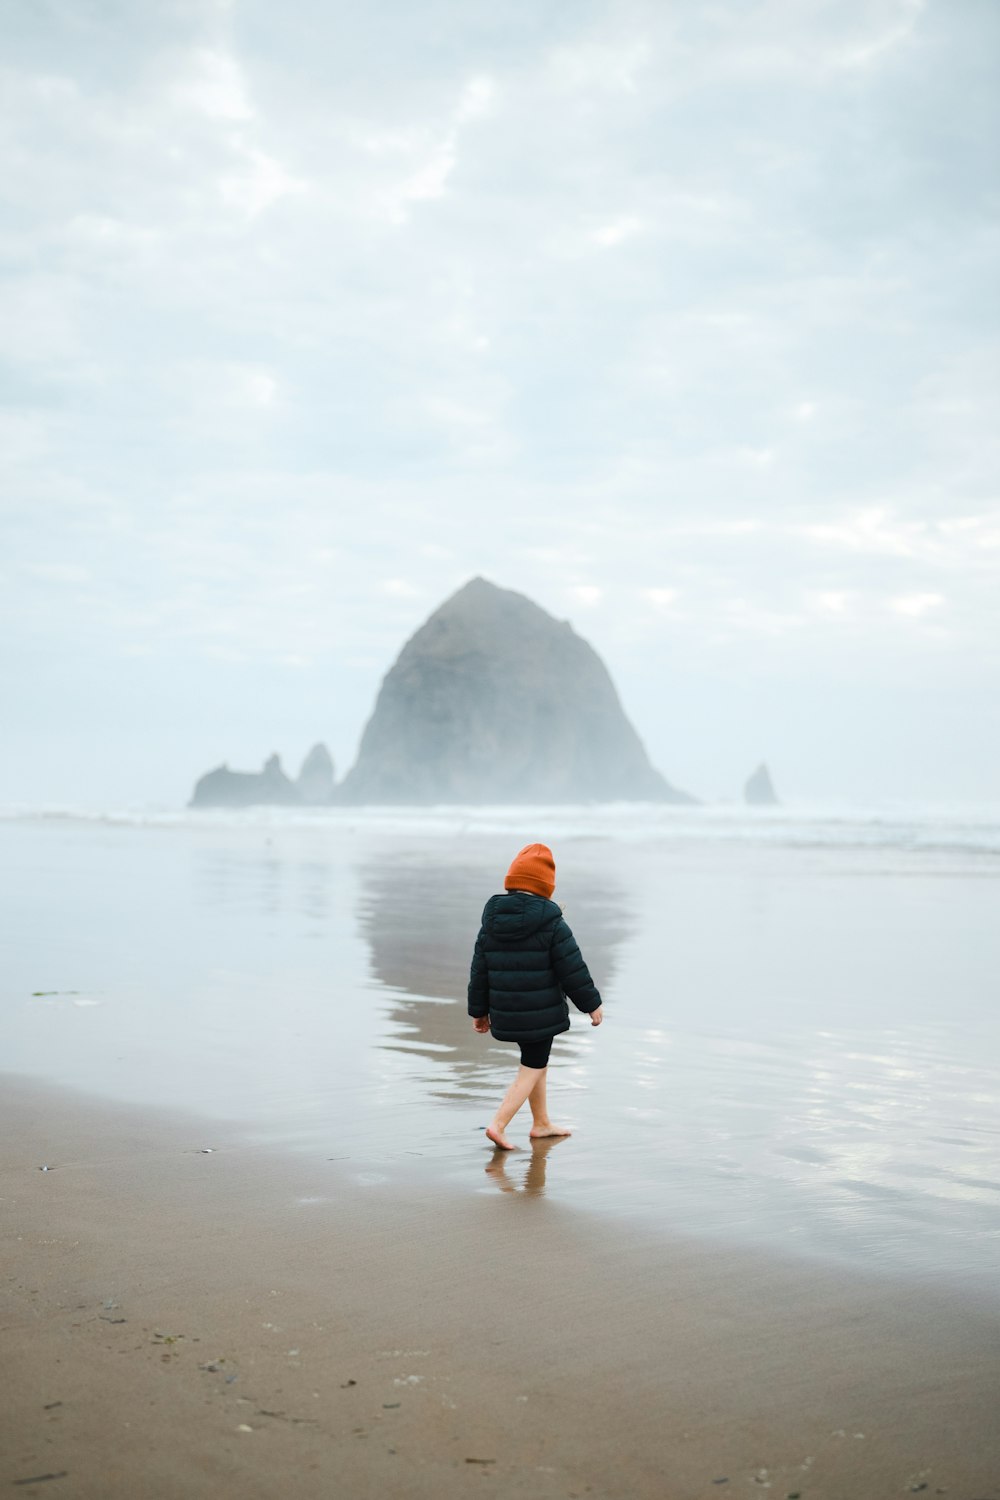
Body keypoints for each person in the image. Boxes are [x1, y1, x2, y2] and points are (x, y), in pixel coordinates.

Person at [468, 842, 603, 1149]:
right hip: (540, 1012)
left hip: (504, 1011)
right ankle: (498, 1124)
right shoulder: (552, 922)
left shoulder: (491, 923)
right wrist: (591, 1004)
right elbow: (572, 969)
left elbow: (479, 970)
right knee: (533, 1066)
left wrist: (479, 1011)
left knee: (535, 1061)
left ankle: (541, 1124)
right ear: (546, 887)